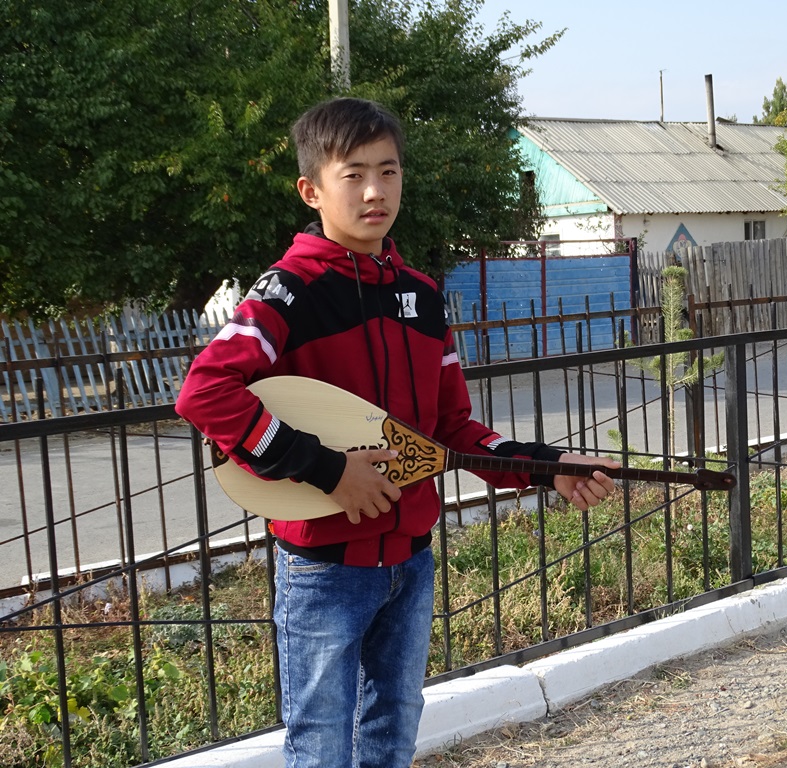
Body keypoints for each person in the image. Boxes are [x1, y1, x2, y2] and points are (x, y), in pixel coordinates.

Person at [175, 97, 618, 768]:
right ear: (312, 189)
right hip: (322, 570)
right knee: (320, 745)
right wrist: (328, 471)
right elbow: (206, 392)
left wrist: (547, 465)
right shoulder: (288, 292)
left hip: (409, 563)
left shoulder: (421, 294)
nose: (375, 190)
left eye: (389, 170)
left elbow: (451, 431)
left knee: (391, 735)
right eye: (353, 174)